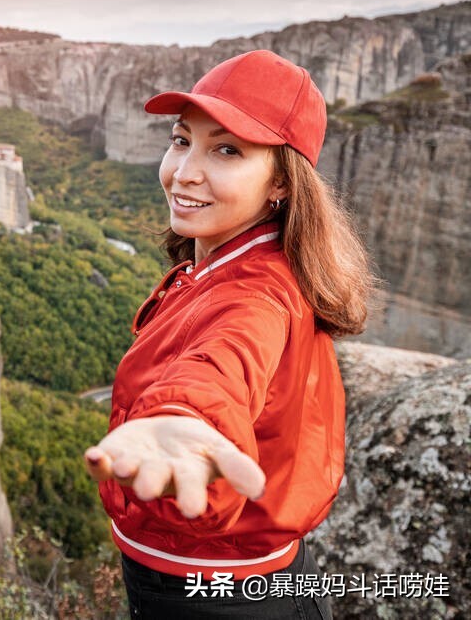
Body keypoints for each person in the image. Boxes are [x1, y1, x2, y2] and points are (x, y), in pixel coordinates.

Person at [83, 49, 373, 618]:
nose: (185, 171)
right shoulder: (237, 263)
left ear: (282, 185)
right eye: (181, 139)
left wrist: (184, 419)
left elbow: (226, 359)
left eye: (227, 150)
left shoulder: (256, 294)